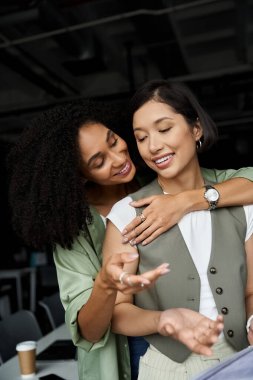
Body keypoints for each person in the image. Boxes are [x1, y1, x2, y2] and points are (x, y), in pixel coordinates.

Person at [7, 98, 253, 380]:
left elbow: (244, 183)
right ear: (79, 176)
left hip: (188, 340)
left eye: (113, 141)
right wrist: (106, 285)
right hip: (122, 354)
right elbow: (89, 329)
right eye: (98, 162)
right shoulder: (74, 230)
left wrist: (183, 202)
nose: (119, 159)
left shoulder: (158, 172)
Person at [104, 80, 253, 380]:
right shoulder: (127, 213)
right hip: (168, 370)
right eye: (141, 137)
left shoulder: (240, 199)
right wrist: (162, 320)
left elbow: (251, 290)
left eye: (164, 128)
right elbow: (117, 311)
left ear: (195, 129)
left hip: (242, 360)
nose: (153, 145)